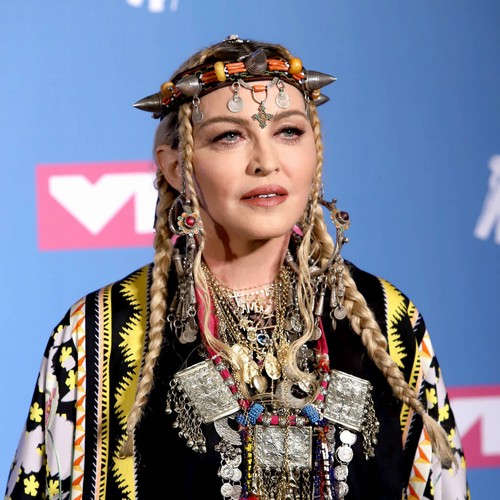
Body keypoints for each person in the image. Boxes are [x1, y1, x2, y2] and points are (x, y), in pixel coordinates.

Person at [5, 35, 470, 500]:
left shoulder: (387, 318)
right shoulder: (99, 333)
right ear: (175, 167)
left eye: (289, 132)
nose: (266, 162)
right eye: (229, 136)